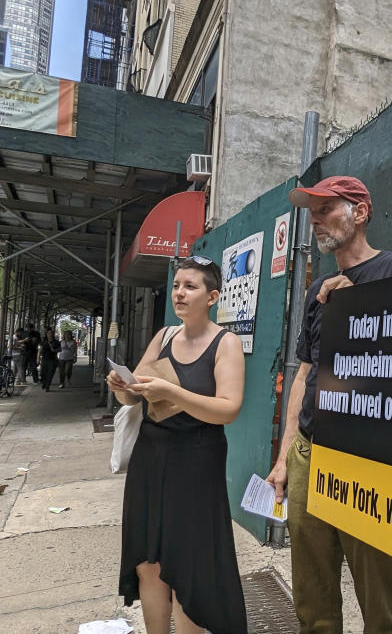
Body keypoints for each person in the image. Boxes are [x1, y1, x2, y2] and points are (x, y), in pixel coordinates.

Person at [265, 176, 392, 633]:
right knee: (313, 602)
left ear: (361, 212)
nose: (315, 219)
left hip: (371, 462)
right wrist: (284, 457)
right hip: (310, 455)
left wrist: (363, 305)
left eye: (327, 208)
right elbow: (306, 372)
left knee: (380, 604)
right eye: (312, 211)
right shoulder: (319, 291)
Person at [107, 257, 247, 634]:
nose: (179, 293)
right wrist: (123, 389)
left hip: (196, 462)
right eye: (176, 285)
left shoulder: (226, 343)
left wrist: (173, 391)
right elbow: (135, 399)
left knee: (187, 565)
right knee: (148, 562)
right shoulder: (164, 336)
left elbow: (228, 410)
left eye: (190, 286)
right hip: (150, 458)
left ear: (212, 296)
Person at [38, 328, 61, 392]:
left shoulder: (56, 342)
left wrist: (54, 350)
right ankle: (44, 383)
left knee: (50, 374)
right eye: (48, 333)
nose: (50, 334)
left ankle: (47, 386)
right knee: (42, 373)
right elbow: (40, 350)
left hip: (53, 360)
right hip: (44, 359)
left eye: (51, 333)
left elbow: (60, 349)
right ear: (47, 334)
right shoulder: (44, 342)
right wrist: (38, 358)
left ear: (53, 334)